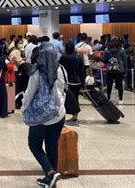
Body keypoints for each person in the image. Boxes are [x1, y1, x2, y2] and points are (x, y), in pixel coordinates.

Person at [21, 43, 65, 188]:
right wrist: (59, 107)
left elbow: (29, 94)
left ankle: (51, 173)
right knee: (52, 146)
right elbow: (63, 90)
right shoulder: (60, 69)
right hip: (58, 116)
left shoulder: (37, 73)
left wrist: (23, 108)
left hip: (41, 117)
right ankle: (51, 179)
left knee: (34, 144)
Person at [59, 41, 85, 122]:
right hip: (77, 81)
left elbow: (60, 69)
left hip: (67, 81)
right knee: (75, 98)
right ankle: (75, 115)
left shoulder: (63, 58)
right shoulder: (79, 58)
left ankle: (63, 115)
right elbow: (82, 71)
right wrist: (83, 83)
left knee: (65, 98)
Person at [102, 40, 128, 104]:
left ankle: (108, 98)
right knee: (119, 84)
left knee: (109, 84)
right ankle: (120, 99)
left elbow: (103, 60)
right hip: (120, 70)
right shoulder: (122, 51)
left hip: (109, 69)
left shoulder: (107, 51)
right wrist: (126, 70)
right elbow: (125, 61)